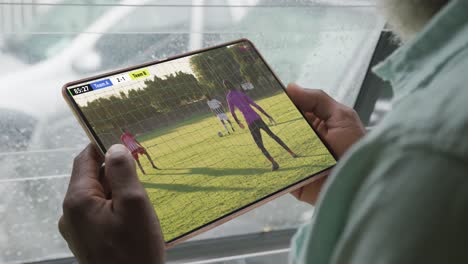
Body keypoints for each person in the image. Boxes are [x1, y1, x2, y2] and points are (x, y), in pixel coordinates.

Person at [58, 0, 468, 263]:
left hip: (258, 124)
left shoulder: (431, 153)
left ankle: (279, 154)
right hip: (254, 127)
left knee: (269, 138)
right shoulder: (433, 130)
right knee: (268, 143)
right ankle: (278, 158)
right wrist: (353, 187)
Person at [224, 79, 297, 171]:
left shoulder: (229, 97)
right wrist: (267, 115)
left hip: (250, 122)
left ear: (225, 87)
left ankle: (274, 163)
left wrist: (238, 123)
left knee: (260, 145)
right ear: (232, 83)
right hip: (258, 118)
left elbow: (232, 112)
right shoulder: (241, 93)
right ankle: (291, 153)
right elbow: (255, 105)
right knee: (273, 135)